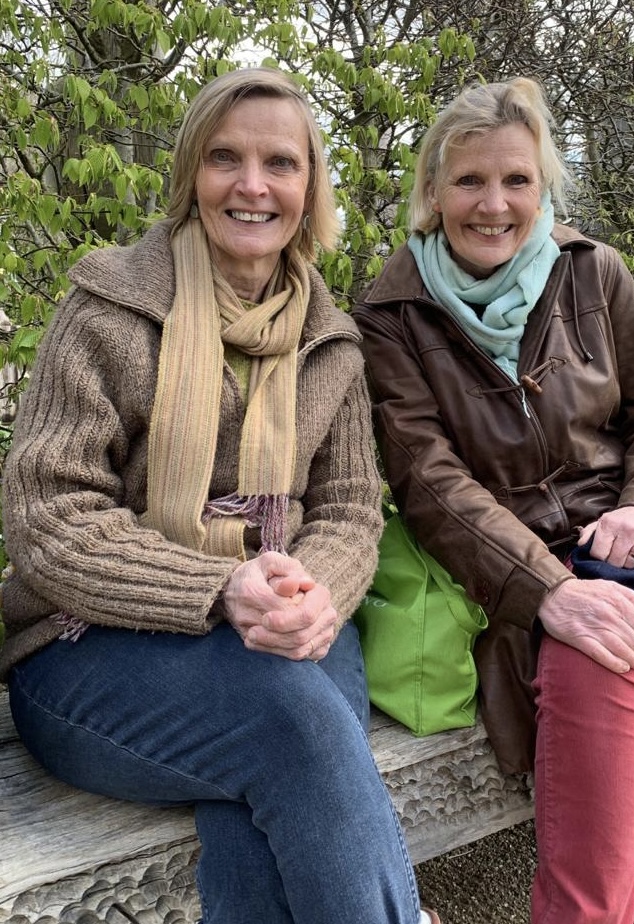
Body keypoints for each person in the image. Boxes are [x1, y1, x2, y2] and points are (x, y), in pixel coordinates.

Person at [0, 67, 441, 924]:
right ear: (189, 176)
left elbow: (351, 509)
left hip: (285, 635)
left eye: (280, 163)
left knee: (278, 775)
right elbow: (48, 515)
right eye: (224, 158)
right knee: (305, 733)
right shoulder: (109, 312)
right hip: (91, 649)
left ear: (309, 187)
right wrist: (215, 588)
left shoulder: (332, 345)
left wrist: (317, 595)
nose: (252, 185)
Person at [353, 76, 634, 923]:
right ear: (432, 190)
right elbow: (429, 484)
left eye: (516, 180)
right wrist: (551, 590)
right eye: (470, 181)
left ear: (543, 186)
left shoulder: (595, 273)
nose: (494, 203)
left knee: (599, 651)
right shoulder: (391, 313)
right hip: (503, 577)